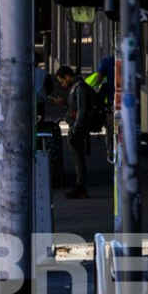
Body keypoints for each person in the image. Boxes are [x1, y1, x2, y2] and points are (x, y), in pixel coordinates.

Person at [56, 65, 96, 199]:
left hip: (77, 129)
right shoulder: (76, 88)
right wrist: (65, 103)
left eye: (62, 81)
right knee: (77, 159)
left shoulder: (79, 88)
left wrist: (75, 128)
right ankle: (80, 185)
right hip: (76, 127)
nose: (62, 84)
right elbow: (75, 107)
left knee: (78, 159)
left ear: (68, 76)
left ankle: (81, 186)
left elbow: (82, 110)